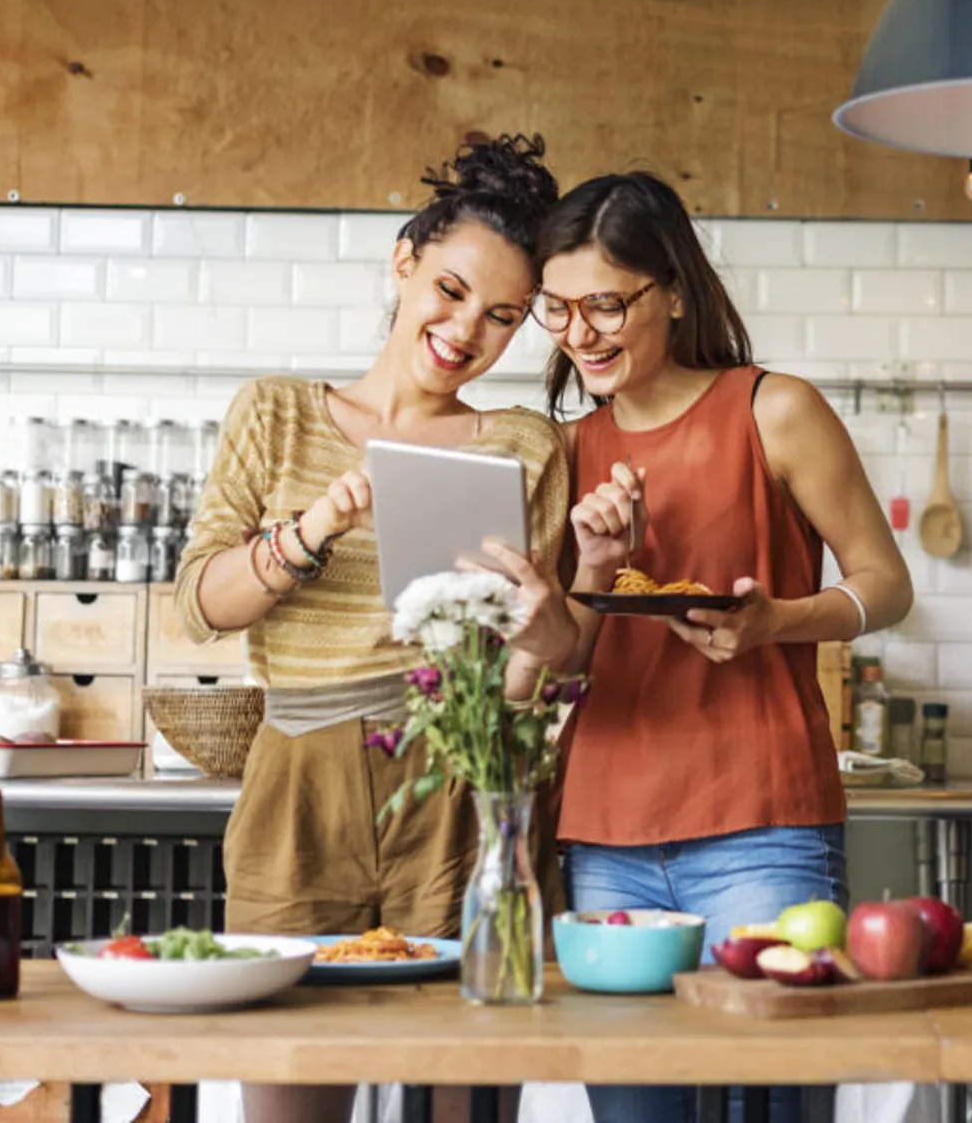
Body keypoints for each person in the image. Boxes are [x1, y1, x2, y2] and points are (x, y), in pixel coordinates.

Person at [174, 134, 574, 1123]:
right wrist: (310, 532)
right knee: (287, 1096)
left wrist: (544, 618)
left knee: (465, 1100)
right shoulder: (274, 414)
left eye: (503, 318)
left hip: (457, 784)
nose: (465, 330)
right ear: (404, 260)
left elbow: (551, 662)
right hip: (297, 784)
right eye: (450, 289)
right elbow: (199, 606)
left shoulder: (528, 443)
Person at [538, 172, 913, 1123]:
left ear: (671, 288)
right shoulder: (565, 451)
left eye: (604, 304)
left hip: (761, 822)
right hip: (607, 832)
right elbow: (572, 658)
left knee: (779, 1109)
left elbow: (885, 582)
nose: (579, 332)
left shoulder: (772, 410)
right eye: (557, 307)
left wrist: (776, 621)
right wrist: (596, 558)